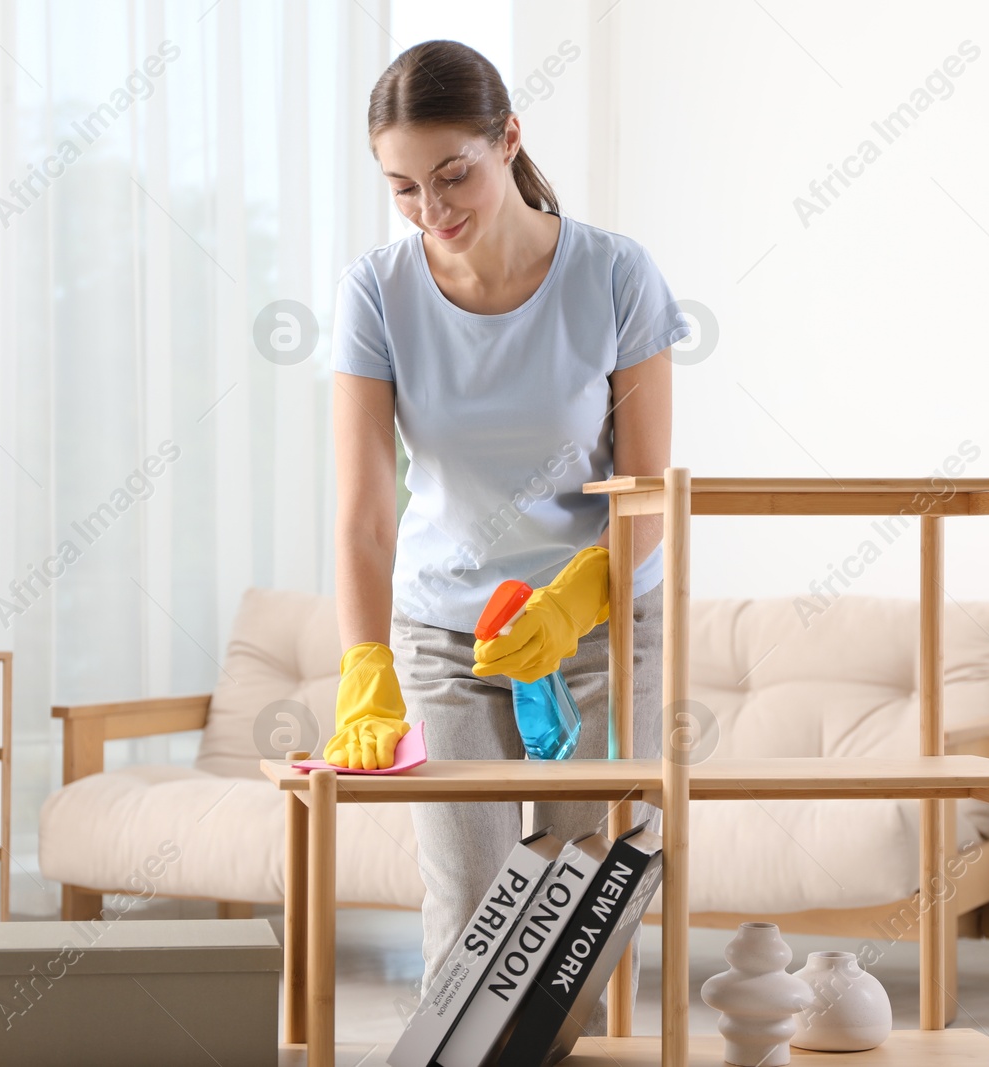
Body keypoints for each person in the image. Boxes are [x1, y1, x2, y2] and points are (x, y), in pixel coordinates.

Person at [325, 38, 690, 1040]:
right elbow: (364, 510)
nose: (432, 208)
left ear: (508, 140)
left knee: (584, 909)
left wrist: (576, 598)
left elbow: (649, 487)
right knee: (472, 911)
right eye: (401, 186)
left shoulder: (615, 275)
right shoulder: (377, 292)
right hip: (448, 632)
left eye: (453, 174)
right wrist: (366, 668)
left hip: (603, 627)